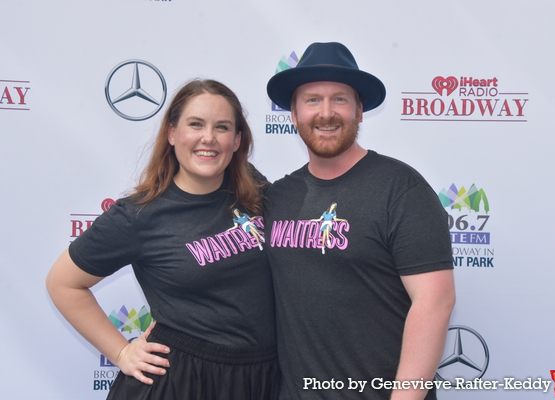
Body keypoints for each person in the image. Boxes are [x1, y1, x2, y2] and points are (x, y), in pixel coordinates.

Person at [46, 79, 279, 400]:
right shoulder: (139, 215)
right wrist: (121, 353)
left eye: (222, 127)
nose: (208, 138)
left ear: (237, 140)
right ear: (172, 133)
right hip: (184, 383)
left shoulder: (254, 189)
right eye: (195, 124)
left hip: (263, 377)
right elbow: (63, 284)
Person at [265, 42, 456, 400]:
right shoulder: (277, 197)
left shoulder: (400, 189)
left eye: (339, 99)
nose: (326, 113)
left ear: (359, 112)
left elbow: (435, 301)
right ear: (292, 114)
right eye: (311, 100)